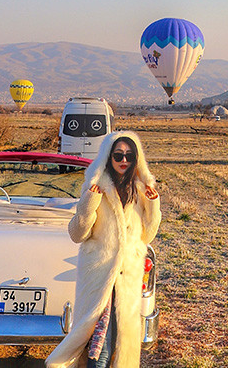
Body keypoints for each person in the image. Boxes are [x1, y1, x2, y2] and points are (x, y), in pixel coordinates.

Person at [46, 131, 161, 368]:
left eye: (129, 155)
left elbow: (147, 235)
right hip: (100, 278)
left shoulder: (141, 192)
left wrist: (153, 204)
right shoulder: (95, 187)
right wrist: (89, 204)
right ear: (108, 157)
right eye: (118, 155)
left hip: (127, 279)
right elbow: (77, 234)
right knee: (101, 345)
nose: (123, 160)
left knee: (119, 343)